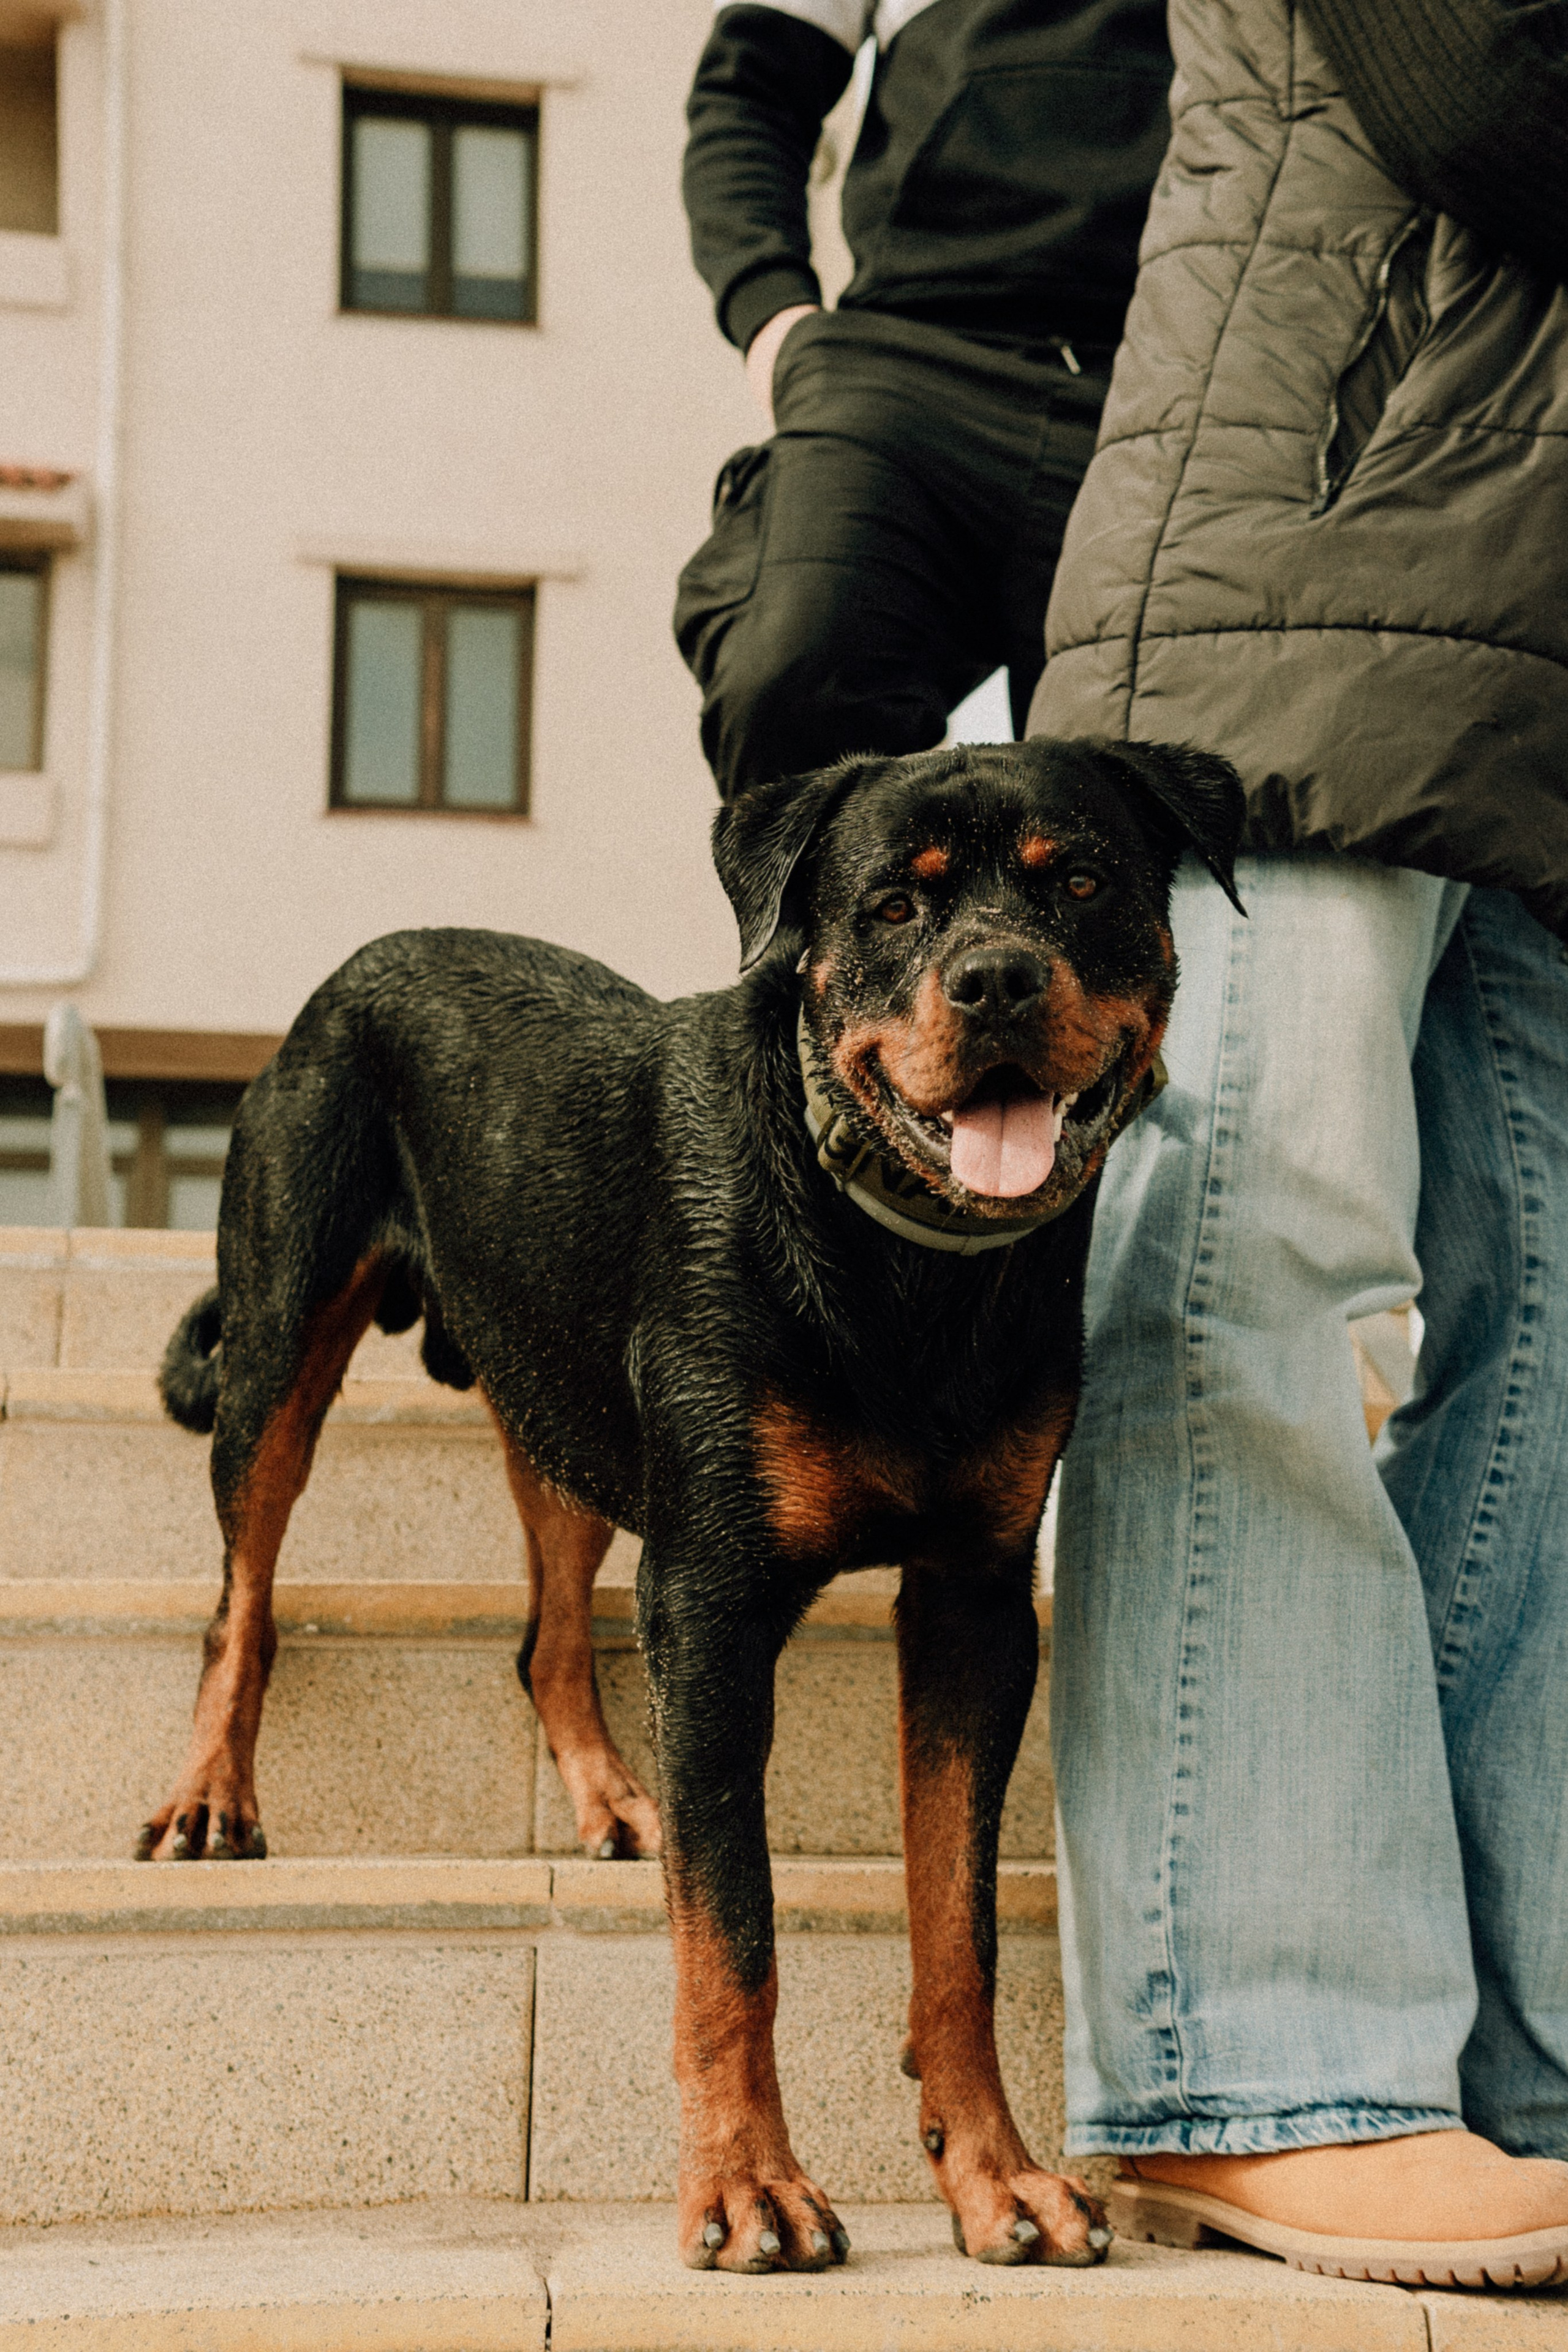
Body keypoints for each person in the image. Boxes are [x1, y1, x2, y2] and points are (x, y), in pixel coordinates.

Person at [1028, 0, 1568, 2285]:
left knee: (1546, 1347)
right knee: (1255, 1226)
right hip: (1317, 554)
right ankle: (1246, 2059)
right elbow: (1485, 84)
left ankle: (1509, 2047)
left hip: (1531, 620)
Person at [674, 0, 1174, 798]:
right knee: (793, 683)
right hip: (913, 359)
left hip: (1170, 381)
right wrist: (772, 318)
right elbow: (751, 89)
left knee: (1133, 810)